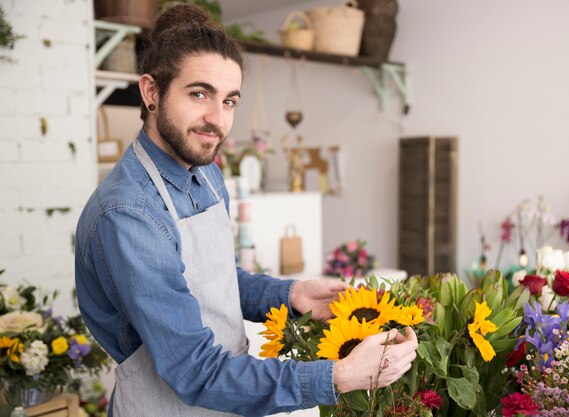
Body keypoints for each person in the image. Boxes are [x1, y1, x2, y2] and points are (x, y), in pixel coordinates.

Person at [75, 4, 418, 417]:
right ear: (151, 92)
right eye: (199, 94)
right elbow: (195, 372)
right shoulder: (129, 213)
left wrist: (290, 295)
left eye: (230, 100)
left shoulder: (205, 174)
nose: (217, 119)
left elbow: (216, 280)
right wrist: (337, 377)